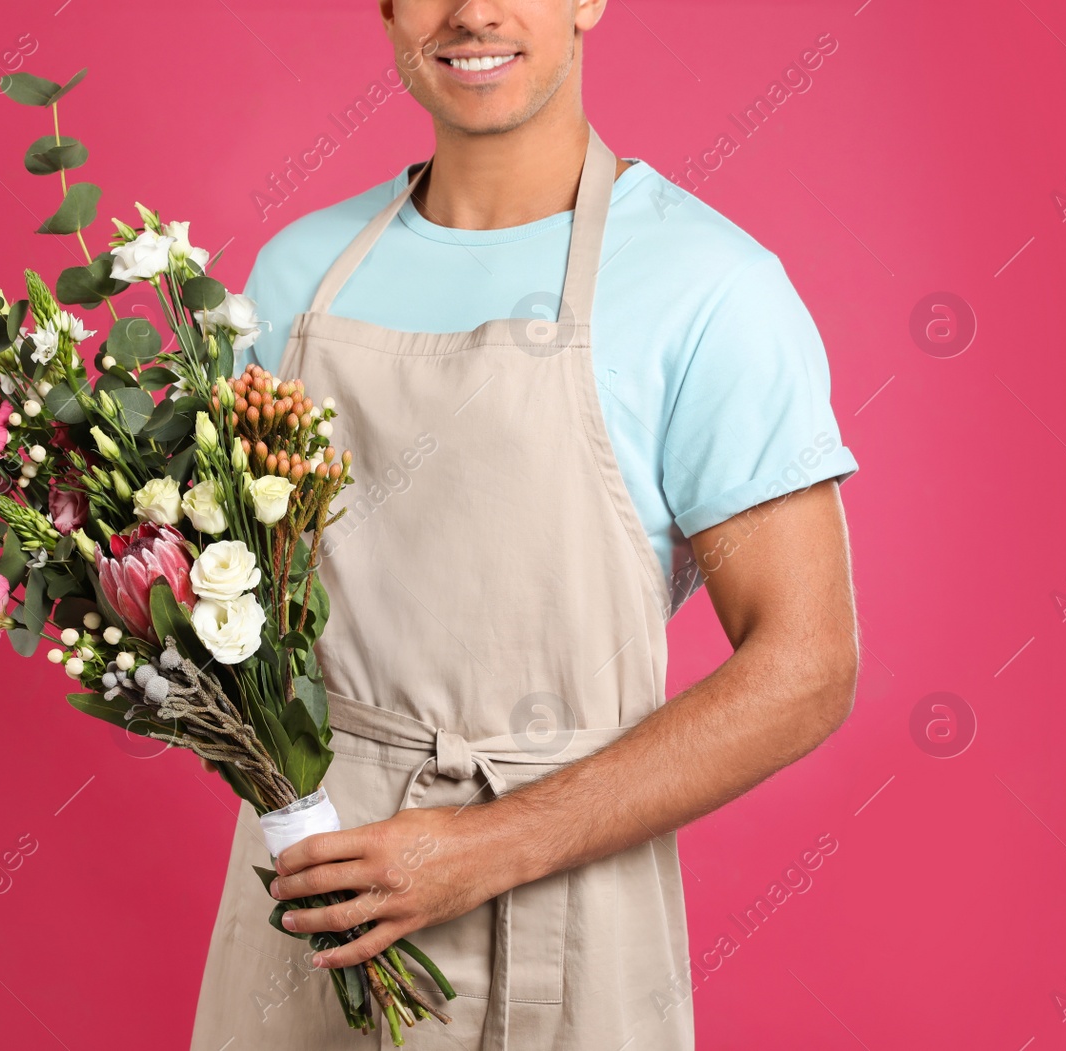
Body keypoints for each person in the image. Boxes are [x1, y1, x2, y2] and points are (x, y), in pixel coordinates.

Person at [189, 1, 859, 1048]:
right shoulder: (294, 275)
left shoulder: (708, 290)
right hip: (308, 896)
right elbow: (226, 602)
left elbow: (806, 665)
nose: (471, 13)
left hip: (561, 918)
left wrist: (487, 847)